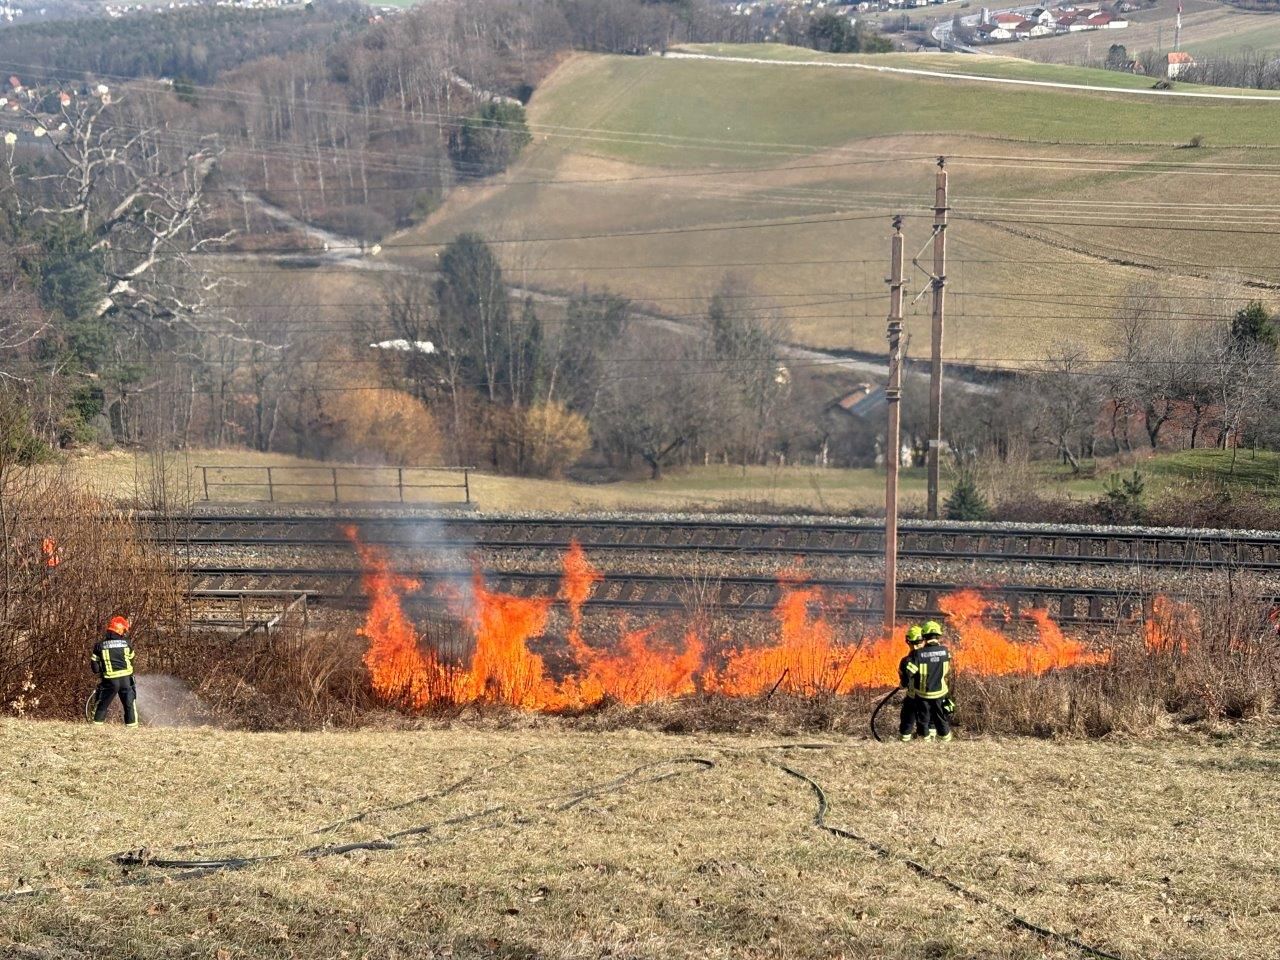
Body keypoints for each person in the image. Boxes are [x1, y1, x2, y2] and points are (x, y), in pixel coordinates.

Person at [903, 619, 953, 742]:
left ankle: (924, 740)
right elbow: (947, 669)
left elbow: (910, 672)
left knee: (923, 719)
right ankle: (945, 740)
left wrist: (904, 681)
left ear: (924, 636)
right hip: (940, 692)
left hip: (923, 694)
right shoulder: (946, 652)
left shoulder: (918, 654)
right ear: (939, 635)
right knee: (940, 718)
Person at [91, 615, 138, 727]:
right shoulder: (127, 643)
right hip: (126, 680)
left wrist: (101, 672)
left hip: (110, 681)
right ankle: (132, 729)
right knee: (129, 705)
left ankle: (96, 727)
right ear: (121, 630)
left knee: (103, 704)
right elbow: (131, 660)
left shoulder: (100, 645)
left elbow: (95, 667)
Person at [898, 624, 928, 742]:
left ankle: (904, 740)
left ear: (908, 642)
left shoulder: (906, 661)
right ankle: (925, 741)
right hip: (928, 697)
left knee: (907, 719)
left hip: (912, 697)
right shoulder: (930, 657)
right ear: (923, 640)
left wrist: (902, 683)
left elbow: (904, 682)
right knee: (925, 720)